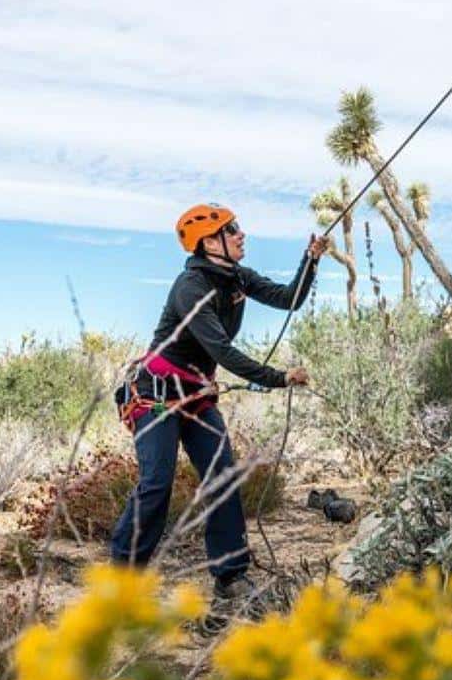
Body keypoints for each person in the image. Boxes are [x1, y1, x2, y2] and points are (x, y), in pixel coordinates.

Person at [110, 203, 329, 603]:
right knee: (157, 483)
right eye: (232, 230)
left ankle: (230, 577)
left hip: (196, 395)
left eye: (237, 228)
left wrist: (310, 261)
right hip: (156, 396)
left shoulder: (236, 277)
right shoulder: (190, 288)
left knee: (223, 476)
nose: (241, 234)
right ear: (209, 242)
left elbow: (288, 298)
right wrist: (278, 378)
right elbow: (223, 352)